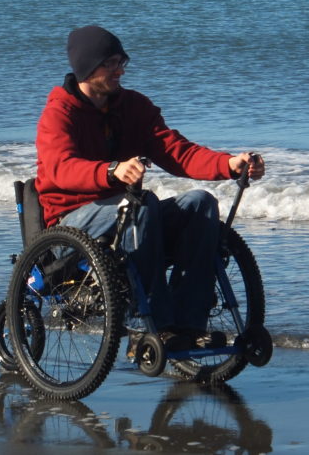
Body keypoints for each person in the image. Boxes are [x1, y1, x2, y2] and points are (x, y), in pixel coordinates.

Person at [35, 25, 265, 352]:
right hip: (70, 224)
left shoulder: (134, 107)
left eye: (122, 62)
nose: (120, 70)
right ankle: (147, 328)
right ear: (87, 68)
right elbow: (60, 168)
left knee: (200, 203)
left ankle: (188, 325)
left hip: (130, 215)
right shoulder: (59, 112)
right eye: (110, 63)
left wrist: (228, 165)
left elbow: (176, 151)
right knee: (142, 205)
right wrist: (112, 171)